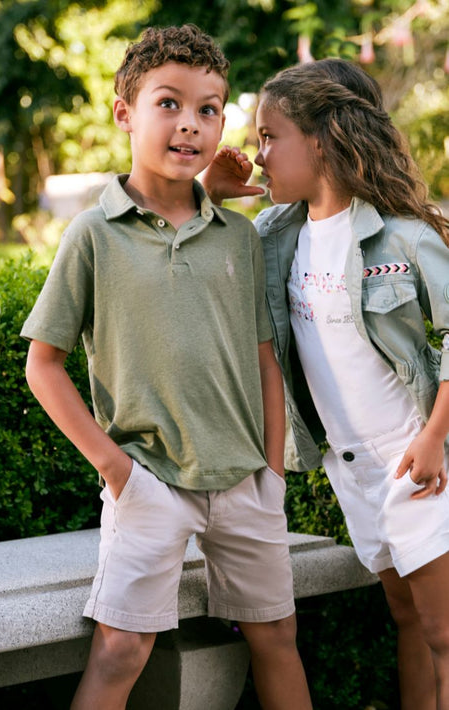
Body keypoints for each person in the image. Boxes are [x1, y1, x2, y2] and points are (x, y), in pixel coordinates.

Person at [21, 24, 312, 710]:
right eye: (169, 103)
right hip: (147, 483)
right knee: (121, 650)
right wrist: (117, 471)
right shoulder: (93, 235)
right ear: (124, 113)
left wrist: (271, 472)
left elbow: (263, 357)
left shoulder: (237, 236)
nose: (190, 124)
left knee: (277, 637)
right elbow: (43, 365)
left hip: (245, 480)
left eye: (208, 109)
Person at [202, 57, 449, 709]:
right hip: (352, 468)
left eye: (268, 137)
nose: (258, 156)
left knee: (444, 632)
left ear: (321, 140)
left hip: (420, 459)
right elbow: (187, 266)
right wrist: (210, 195)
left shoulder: (401, 235)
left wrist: (432, 438)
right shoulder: (273, 236)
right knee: (407, 618)